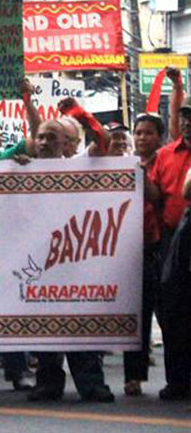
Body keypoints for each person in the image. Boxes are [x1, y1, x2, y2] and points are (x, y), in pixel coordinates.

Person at [19, 120, 115, 403]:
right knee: (44, 323)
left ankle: (91, 383)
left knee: (79, 320)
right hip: (39, 261)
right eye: (41, 137)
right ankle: (48, 382)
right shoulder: (23, 169)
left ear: (66, 143)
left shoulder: (78, 165)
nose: (45, 142)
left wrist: (78, 113)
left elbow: (104, 139)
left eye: (52, 137)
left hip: (74, 258)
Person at [146, 94, 191, 401]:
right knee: (173, 313)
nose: (188, 123)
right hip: (174, 240)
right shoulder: (165, 155)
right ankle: (177, 380)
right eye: (185, 117)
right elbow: (156, 195)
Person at [122, 113, 165, 397]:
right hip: (129, 248)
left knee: (169, 314)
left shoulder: (164, 162)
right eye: (138, 132)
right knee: (135, 315)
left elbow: (157, 197)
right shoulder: (121, 162)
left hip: (159, 246)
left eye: (148, 133)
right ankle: (134, 377)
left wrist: (142, 174)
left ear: (158, 137)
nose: (142, 137)